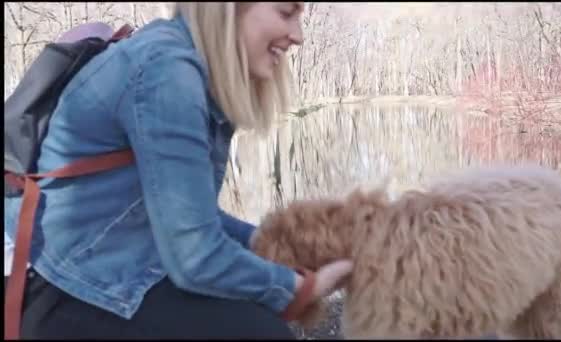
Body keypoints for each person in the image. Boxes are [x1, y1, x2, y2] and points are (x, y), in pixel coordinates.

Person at [3, 2, 353, 339]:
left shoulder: (186, 65)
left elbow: (194, 220)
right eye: (286, 12)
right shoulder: (167, 72)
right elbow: (194, 256)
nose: (298, 35)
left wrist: (271, 244)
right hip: (70, 285)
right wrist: (300, 287)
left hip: (108, 265)